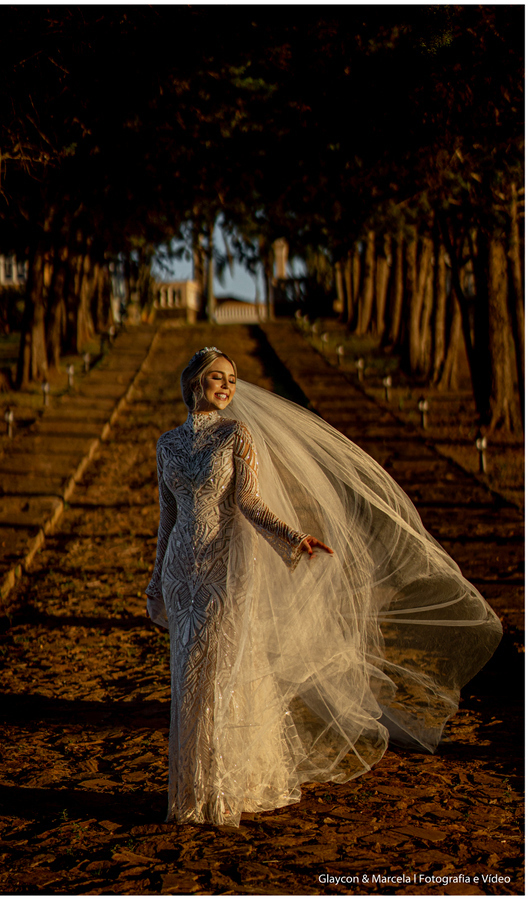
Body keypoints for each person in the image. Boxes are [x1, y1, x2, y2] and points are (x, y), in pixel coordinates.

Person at [146, 347, 502, 827]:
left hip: (221, 573)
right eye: (216, 378)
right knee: (187, 684)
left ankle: (221, 792)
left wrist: (293, 539)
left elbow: (250, 503)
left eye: (232, 378)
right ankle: (187, 795)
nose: (227, 386)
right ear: (194, 386)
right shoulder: (167, 445)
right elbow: (167, 518)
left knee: (218, 678)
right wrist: (154, 583)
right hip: (179, 574)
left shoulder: (237, 436)